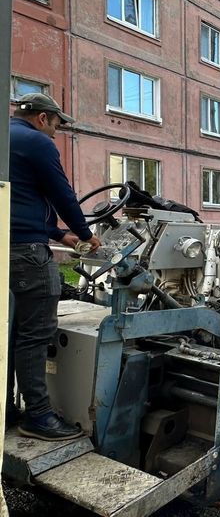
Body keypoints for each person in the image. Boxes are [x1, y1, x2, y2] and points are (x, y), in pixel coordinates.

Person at [8, 93, 101, 440]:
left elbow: (21, 201)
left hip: (9, 245)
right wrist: (86, 234)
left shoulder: (8, 137)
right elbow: (62, 195)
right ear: (43, 118)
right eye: (58, 124)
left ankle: (7, 408)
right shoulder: (36, 142)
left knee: (11, 331)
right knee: (35, 335)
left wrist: (59, 235)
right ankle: (39, 416)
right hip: (28, 256)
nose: (58, 131)